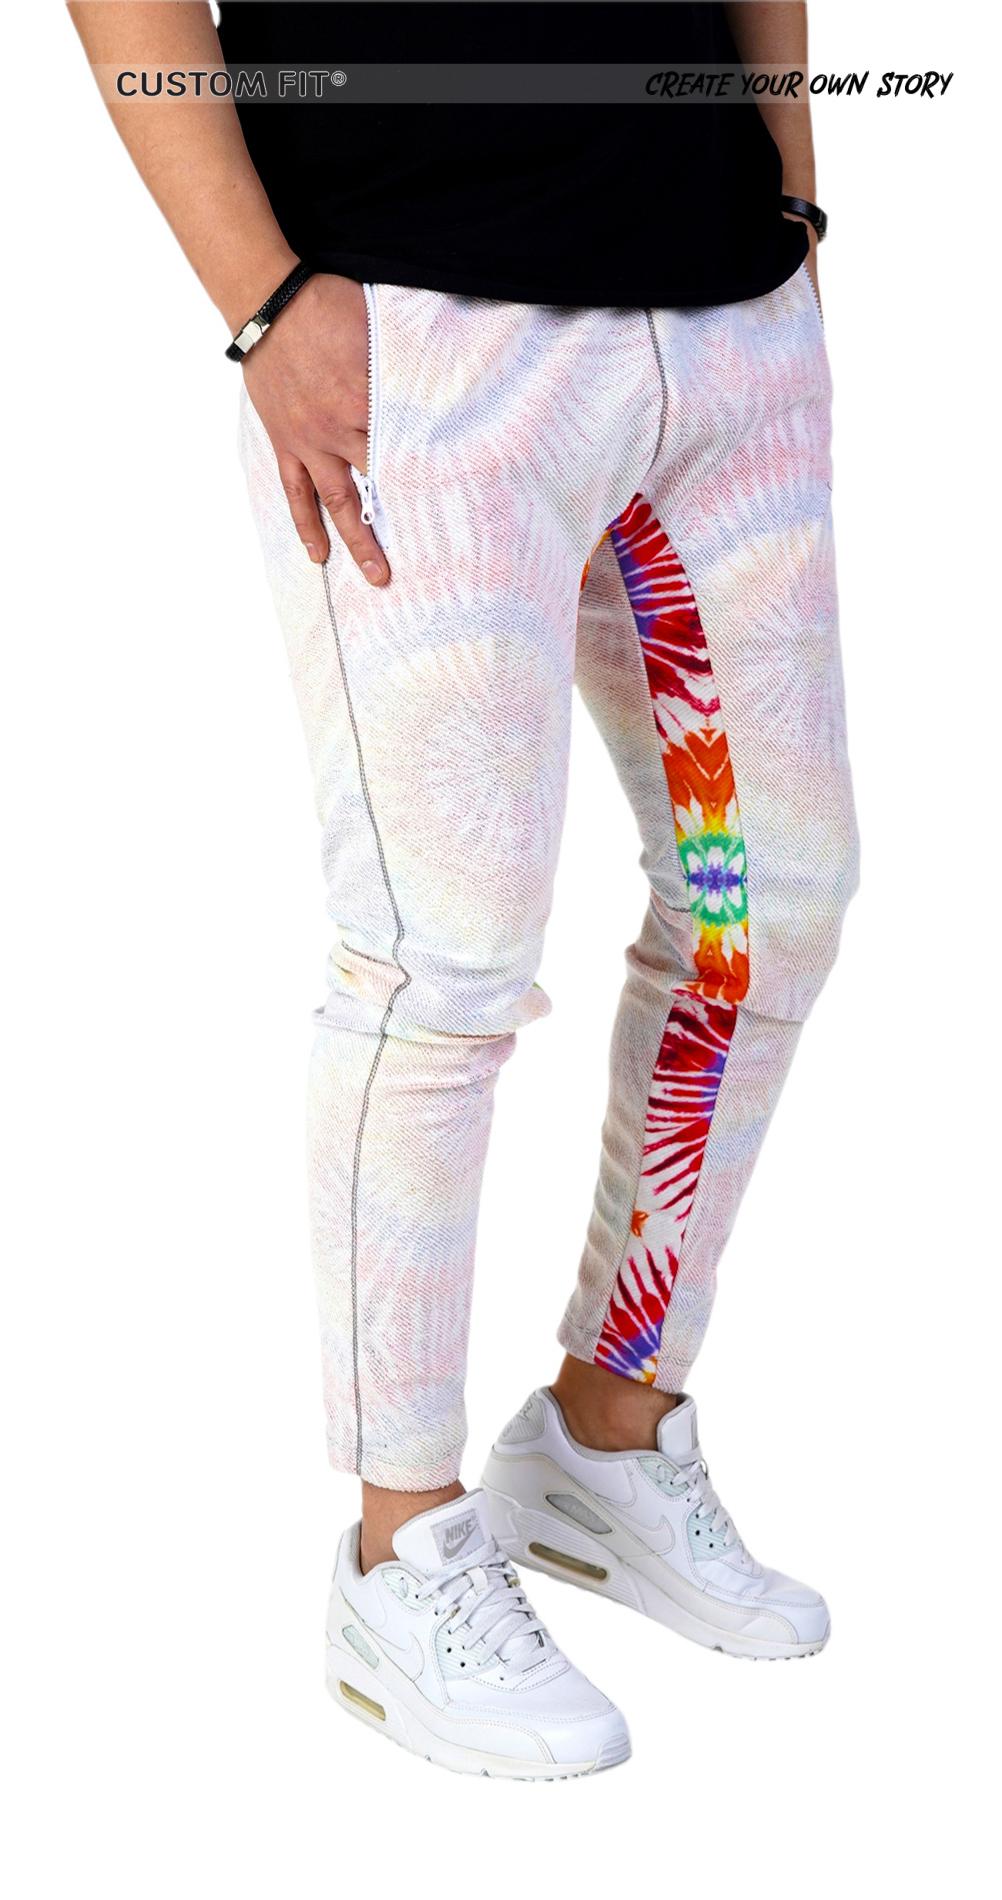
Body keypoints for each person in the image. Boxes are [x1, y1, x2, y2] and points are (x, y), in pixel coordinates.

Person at [70, 1, 858, 1778]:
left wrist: (796, 203)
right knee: (439, 966)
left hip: (723, 317)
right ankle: (401, 1545)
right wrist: (263, 302)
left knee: (767, 908)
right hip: (418, 329)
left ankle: (605, 1429)